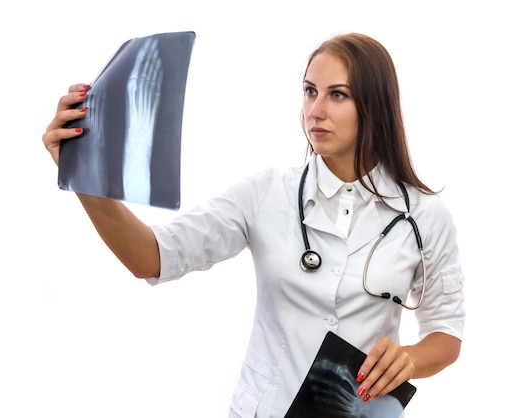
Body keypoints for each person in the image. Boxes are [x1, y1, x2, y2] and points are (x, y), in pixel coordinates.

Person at [42, 32, 465, 417]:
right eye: (309, 91)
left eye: (337, 95)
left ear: (374, 106)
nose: (314, 111)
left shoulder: (424, 217)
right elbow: (151, 257)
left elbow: (446, 332)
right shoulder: (265, 195)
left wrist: (409, 357)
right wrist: (84, 177)